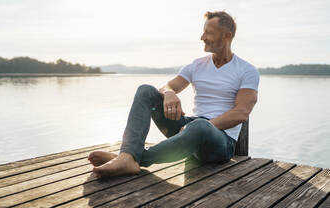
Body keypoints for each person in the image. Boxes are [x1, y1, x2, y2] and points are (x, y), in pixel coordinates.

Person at [88, 11, 260, 179]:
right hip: (190, 129)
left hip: (221, 141)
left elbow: (241, 113)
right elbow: (168, 86)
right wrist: (169, 92)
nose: (202, 37)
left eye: (208, 32)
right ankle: (128, 155)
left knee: (200, 126)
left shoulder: (246, 70)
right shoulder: (197, 65)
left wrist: (199, 127)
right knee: (145, 91)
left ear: (226, 36)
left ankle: (133, 158)